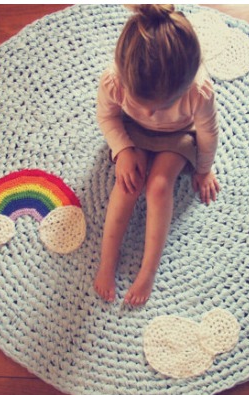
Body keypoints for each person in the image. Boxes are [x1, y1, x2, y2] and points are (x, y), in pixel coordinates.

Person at [94, 4, 220, 306]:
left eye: (161, 105)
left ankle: (148, 269)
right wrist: (123, 149)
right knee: (127, 185)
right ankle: (107, 261)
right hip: (133, 130)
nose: (151, 112)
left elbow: (208, 134)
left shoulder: (198, 91)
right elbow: (107, 117)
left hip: (178, 135)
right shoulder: (114, 81)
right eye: (144, 103)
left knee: (159, 186)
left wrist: (204, 169)